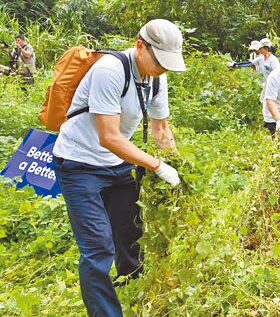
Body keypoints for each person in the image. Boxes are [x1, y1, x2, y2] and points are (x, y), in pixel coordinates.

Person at [52, 19, 185, 317]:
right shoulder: (110, 71)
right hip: (79, 165)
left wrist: (175, 163)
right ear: (140, 46)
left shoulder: (157, 78)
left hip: (118, 163)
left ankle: (130, 283)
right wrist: (156, 164)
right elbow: (109, 136)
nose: (163, 68)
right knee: (98, 248)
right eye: (159, 61)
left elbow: (161, 129)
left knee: (130, 233)